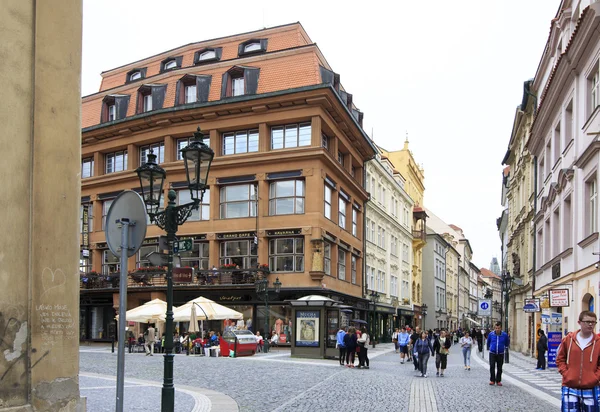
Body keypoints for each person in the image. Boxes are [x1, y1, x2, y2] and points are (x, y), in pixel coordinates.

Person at [557, 310, 600, 410]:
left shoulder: (598, 342)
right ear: (579, 322)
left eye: (593, 322)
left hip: (591, 387)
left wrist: (595, 377)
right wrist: (566, 374)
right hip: (570, 386)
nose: (590, 324)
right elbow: (560, 358)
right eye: (587, 322)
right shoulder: (568, 340)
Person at [487, 322, 510, 386]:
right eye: (496, 328)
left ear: (501, 328)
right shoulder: (491, 334)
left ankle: (498, 380)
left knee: (499, 367)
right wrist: (491, 347)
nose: (497, 329)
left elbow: (507, 343)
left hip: (500, 353)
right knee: (492, 366)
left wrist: (504, 347)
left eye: (498, 328)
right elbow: (488, 342)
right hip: (492, 353)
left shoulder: (504, 335)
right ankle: (492, 380)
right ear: (494, 328)